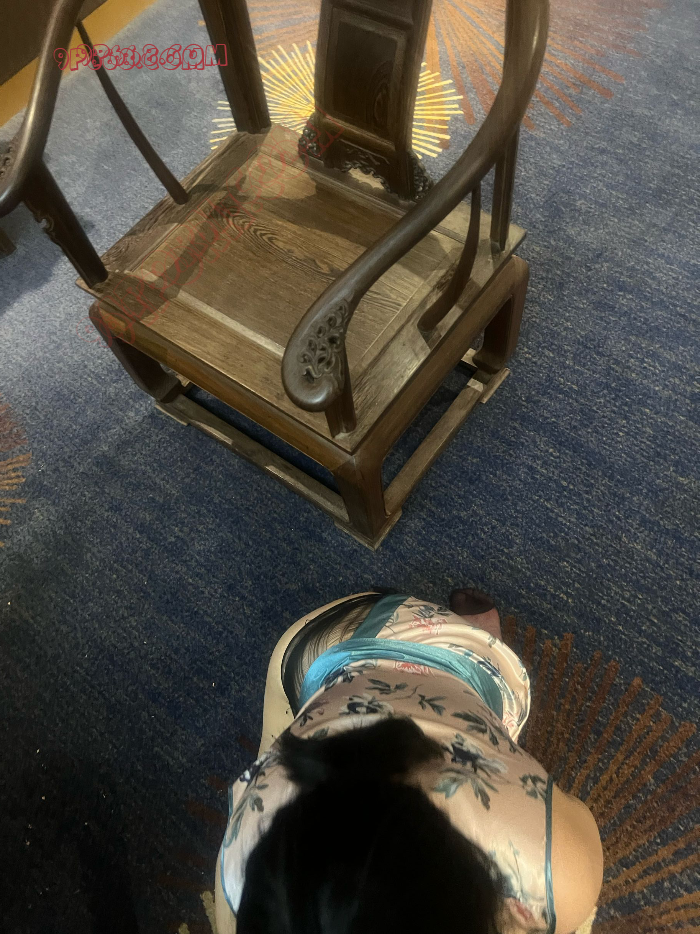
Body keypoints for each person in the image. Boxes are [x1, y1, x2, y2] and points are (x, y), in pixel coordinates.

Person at [215, 590, 603, 934]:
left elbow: (576, 824)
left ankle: (474, 643)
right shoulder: (237, 880)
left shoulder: (554, 873)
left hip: (357, 638)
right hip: (322, 664)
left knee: (487, 692)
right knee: (277, 750)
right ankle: (471, 645)